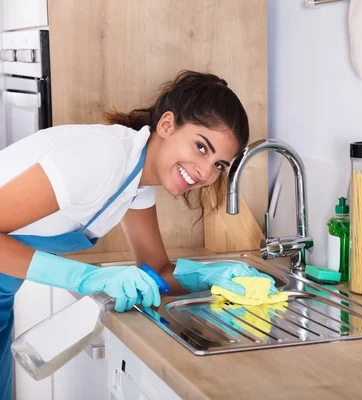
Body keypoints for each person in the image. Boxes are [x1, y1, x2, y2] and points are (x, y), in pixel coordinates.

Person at [0, 70, 275, 398]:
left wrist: (208, 276)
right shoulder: (101, 157)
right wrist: (86, 278)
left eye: (219, 165)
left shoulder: (135, 181)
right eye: (202, 147)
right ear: (167, 125)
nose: (205, 172)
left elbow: (156, 269)